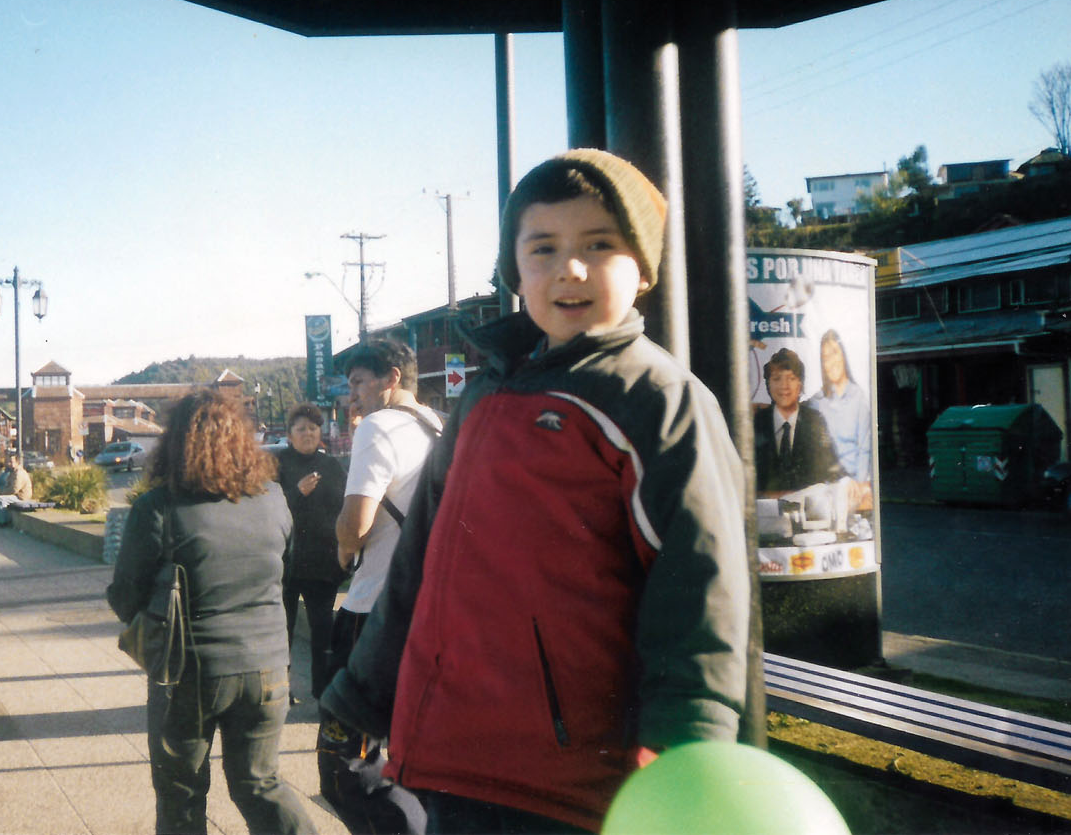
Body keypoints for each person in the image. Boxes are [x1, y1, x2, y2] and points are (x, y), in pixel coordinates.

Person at [320, 149, 751, 833]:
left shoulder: (660, 401)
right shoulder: (484, 397)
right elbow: (420, 564)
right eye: (543, 247)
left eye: (598, 245)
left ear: (642, 268)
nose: (568, 268)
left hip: (575, 785)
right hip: (453, 759)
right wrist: (364, 694)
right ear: (515, 268)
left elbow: (702, 591)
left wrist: (688, 748)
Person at [107, 389, 316, 835]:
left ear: (175, 441)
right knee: (259, 783)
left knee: (181, 791)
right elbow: (286, 570)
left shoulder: (157, 508)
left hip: (189, 675)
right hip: (269, 670)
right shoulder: (274, 498)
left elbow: (125, 597)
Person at [321, 339, 439, 835]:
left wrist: (344, 546)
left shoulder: (378, 426)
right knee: (417, 757)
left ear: (391, 378)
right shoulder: (441, 425)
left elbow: (356, 523)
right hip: (434, 610)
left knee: (346, 765)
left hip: (374, 612)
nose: (354, 396)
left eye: (358, 383)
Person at [274, 403, 347, 702]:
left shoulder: (331, 467)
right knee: (283, 631)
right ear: (289, 434)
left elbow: (345, 509)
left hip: (323, 565)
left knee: (322, 631)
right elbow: (267, 510)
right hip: (285, 564)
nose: (308, 433)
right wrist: (295, 493)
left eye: (313, 428)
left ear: (321, 435)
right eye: (301, 428)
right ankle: (281, 690)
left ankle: (321, 690)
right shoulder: (277, 466)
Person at [754, 347, 845, 494]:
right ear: (768, 384)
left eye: (791, 378)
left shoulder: (815, 421)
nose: (784, 386)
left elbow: (833, 471)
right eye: (777, 378)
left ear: (800, 384)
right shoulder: (757, 423)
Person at [807, 329, 874, 510]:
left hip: (853, 486)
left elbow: (864, 449)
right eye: (825, 357)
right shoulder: (817, 402)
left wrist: (859, 485)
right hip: (824, 486)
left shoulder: (859, 398)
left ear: (844, 355)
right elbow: (795, 410)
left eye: (834, 353)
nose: (831, 361)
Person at [0, 453, 33, 526]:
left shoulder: (19, 473)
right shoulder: (12, 472)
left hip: (21, 497)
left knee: (0, 499)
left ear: (17, 462)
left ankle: (3, 522)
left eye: (11, 462)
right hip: (16, 495)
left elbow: (14, 489)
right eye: (8, 462)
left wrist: (1, 493)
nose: (8, 464)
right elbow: (8, 485)